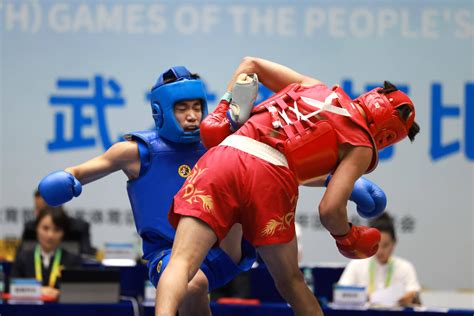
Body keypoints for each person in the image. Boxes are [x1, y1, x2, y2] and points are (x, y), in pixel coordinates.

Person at [155, 57, 420, 316]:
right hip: (270, 179)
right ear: (387, 135)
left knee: (181, 262)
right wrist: (347, 236)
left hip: (226, 155)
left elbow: (250, 64)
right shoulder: (361, 144)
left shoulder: (313, 85)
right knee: (291, 282)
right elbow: (330, 210)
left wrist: (223, 109)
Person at [37, 66, 256, 316]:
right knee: (193, 282)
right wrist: (68, 179)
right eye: (182, 108)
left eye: (197, 107)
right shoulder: (138, 152)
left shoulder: (218, 142)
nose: (193, 116)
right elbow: (81, 171)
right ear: (159, 112)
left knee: (198, 278)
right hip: (167, 254)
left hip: (222, 252)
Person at [338, 212, 421, 306]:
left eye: (385, 245)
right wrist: (364, 297)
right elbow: (341, 292)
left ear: (394, 243)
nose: (380, 251)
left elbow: (414, 293)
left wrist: (408, 298)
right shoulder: (357, 264)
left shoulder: (405, 267)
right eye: (377, 245)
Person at [11, 206, 82, 300]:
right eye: (45, 228)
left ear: (63, 233)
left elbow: (78, 292)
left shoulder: (73, 260)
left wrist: (60, 294)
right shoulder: (23, 258)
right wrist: (37, 290)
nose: (50, 235)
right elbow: (11, 286)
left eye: (56, 230)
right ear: (36, 228)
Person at [19, 190, 96, 256]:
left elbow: (86, 258)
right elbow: (20, 258)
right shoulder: (30, 227)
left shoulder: (79, 228)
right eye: (36, 208)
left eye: (43, 210)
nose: (50, 235)